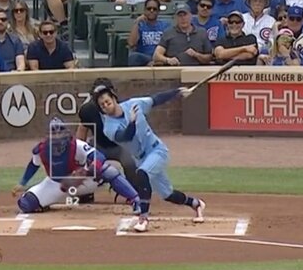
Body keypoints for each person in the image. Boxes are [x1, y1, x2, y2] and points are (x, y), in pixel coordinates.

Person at [92, 85, 206, 232]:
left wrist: (177, 92)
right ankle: (196, 204)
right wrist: (132, 122)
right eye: (102, 105)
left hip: (157, 150)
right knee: (167, 194)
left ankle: (143, 218)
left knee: (142, 173)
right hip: (141, 158)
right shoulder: (108, 127)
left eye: (107, 101)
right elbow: (126, 136)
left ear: (114, 98)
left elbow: (156, 99)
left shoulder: (134, 104)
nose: (106, 106)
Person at [12, 117, 141, 214]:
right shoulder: (41, 149)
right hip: (56, 185)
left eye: (60, 133)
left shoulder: (76, 145)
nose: (58, 137)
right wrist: (22, 182)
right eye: (55, 134)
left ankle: (135, 199)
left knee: (108, 171)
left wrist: (90, 170)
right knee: (26, 204)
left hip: (83, 181)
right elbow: (33, 165)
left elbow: (99, 156)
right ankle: (47, 202)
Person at [76, 78, 139, 201]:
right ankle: (85, 192)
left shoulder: (122, 108)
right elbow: (82, 130)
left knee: (130, 162)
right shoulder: (88, 110)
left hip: (120, 145)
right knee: (85, 158)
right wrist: (79, 152)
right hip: (99, 145)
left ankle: (133, 192)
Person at [127, 0, 169, 66]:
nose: (151, 11)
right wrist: (137, 22)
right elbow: (131, 43)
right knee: (133, 57)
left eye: (154, 9)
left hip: (160, 57)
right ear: (144, 10)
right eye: (149, 9)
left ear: (158, 11)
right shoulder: (140, 25)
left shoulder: (165, 25)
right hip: (144, 57)